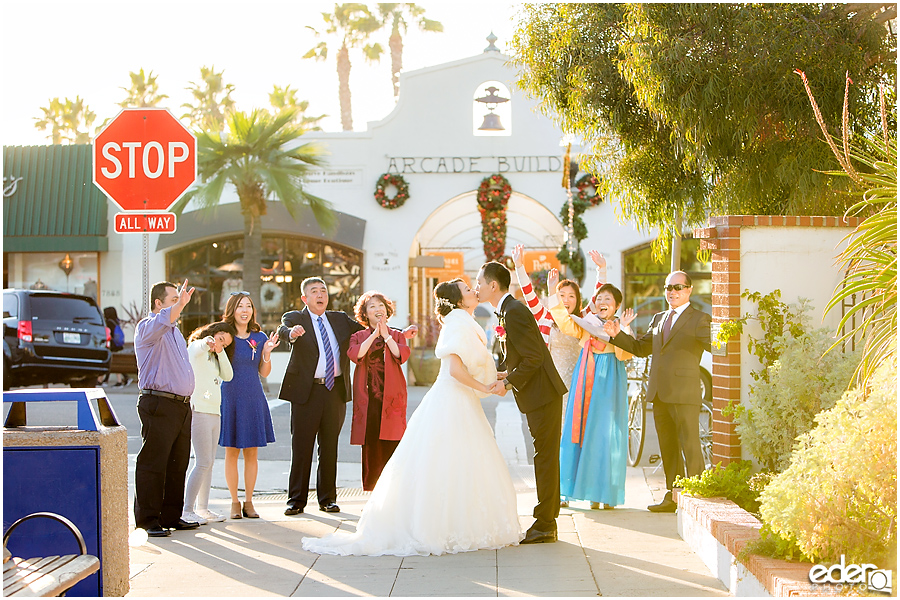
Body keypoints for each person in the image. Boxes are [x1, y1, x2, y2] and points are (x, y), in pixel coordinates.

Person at [301, 279, 522, 556]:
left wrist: (497, 376)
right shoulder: (456, 322)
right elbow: (455, 370)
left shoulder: (461, 321)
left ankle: (455, 519)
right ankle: (438, 523)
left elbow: (416, 356)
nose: (474, 291)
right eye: (468, 289)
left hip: (454, 400)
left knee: (457, 461)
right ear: (457, 300)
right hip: (451, 399)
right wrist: (486, 387)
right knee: (444, 460)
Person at [279, 278, 416, 516]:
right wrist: (291, 333)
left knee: (330, 447)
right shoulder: (296, 318)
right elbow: (284, 330)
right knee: (302, 448)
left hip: (334, 391)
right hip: (306, 392)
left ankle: (328, 499)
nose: (320, 295)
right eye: (314, 291)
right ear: (305, 298)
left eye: (323, 290)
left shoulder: (339, 319)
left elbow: (369, 329)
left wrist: (401, 333)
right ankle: (296, 500)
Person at [604, 271, 712, 513]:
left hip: (684, 394)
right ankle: (673, 495)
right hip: (660, 394)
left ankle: (697, 496)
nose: (672, 292)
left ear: (689, 290)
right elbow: (641, 348)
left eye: (678, 287)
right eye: (668, 287)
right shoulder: (659, 318)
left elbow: (716, 346)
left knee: (690, 445)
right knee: (668, 447)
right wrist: (616, 335)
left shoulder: (700, 319)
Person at [476, 262, 567, 544]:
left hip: (542, 393)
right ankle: (546, 521)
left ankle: (545, 523)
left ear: (493, 285)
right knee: (545, 457)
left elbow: (535, 358)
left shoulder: (513, 312)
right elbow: (525, 354)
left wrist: (508, 382)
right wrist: (506, 372)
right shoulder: (508, 311)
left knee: (545, 457)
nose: (476, 286)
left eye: (479, 282)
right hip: (538, 393)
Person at [547, 269, 635, 510]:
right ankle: (570, 488)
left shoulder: (619, 327)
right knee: (579, 430)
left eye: (608, 299)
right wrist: (553, 292)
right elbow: (565, 322)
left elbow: (626, 353)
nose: (602, 302)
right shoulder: (586, 325)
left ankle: (603, 493)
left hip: (609, 379)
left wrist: (623, 331)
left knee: (606, 434)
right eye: (599, 299)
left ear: (616, 306)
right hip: (586, 374)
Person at [133, 279, 200, 538]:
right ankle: (147, 519)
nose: (179, 304)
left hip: (181, 406)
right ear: (158, 304)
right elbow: (162, 320)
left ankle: (171, 515)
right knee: (154, 463)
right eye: (174, 300)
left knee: (177, 463)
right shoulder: (148, 327)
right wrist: (179, 306)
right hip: (159, 403)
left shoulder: (175, 332)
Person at [220, 292, 280, 520]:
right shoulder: (224, 336)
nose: (245, 311)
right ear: (232, 310)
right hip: (231, 396)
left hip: (254, 395)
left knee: (252, 453)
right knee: (232, 452)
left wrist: (266, 353)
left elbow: (264, 372)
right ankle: (234, 502)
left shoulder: (259, 336)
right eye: (240, 306)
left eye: (249, 306)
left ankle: (249, 502)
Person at [348, 291, 410, 491]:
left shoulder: (397, 334)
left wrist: (387, 336)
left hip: (391, 397)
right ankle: (373, 490)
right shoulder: (358, 336)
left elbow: (401, 355)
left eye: (381, 305)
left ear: (387, 310)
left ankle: (393, 490)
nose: (377, 309)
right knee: (371, 443)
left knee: (393, 441)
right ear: (365, 313)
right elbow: (356, 354)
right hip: (368, 397)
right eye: (372, 306)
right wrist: (375, 334)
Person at [182, 321, 236, 525]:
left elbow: (228, 375)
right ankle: (187, 509)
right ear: (214, 332)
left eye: (226, 344)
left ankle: (202, 508)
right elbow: (199, 345)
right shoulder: (197, 348)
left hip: (215, 412)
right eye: (221, 338)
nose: (221, 344)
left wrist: (220, 351)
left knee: (209, 463)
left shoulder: (215, 357)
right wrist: (209, 342)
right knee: (203, 462)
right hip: (200, 411)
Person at [99, 306, 130, 387]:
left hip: (112, 346)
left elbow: (108, 334)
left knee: (112, 363)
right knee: (114, 363)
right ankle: (104, 380)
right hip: (118, 345)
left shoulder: (109, 322)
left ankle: (107, 381)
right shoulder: (116, 321)